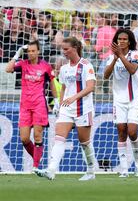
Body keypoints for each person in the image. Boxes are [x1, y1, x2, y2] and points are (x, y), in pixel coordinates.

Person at [35, 37, 97, 181]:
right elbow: (63, 87)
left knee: (85, 142)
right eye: (62, 49)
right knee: (59, 139)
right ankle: (51, 170)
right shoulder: (63, 68)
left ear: (74, 48)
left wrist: (74, 97)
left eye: (66, 49)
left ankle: (91, 171)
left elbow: (90, 87)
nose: (63, 52)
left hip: (83, 108)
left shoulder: (86, 65)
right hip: (67, 109)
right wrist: (60, 103)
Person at [5, 41, 59, 172]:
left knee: (37, 136)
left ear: (38, 51)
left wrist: (56, 100)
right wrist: (17, 53)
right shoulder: (23, 64)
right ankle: (37, 155)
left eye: (33, 51)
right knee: (24, 138)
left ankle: (35, 167)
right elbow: (8, 69)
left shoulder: (45, 66)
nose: (30, 53)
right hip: (25, 106)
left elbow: (52, 82)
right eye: (28, 51)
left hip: (39, 105)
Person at [104, 28, 138, 178]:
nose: (121, 41)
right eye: (119, 39)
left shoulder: (135, 54)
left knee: (132, 131)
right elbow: (106, 75)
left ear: (129, 41)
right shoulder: (111, 57)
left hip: (135, 97)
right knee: (121, 130)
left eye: (124, 39)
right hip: (119, 99)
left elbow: (132, 70)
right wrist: (115, 58)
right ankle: (124, 168)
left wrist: (120, 56)